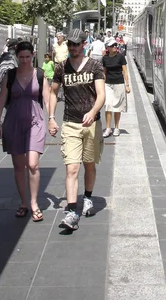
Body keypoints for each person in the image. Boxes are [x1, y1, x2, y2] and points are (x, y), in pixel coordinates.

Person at [48, 29, 105, 231]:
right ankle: (72, 212)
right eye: (70, 44)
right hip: (70, 123)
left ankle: (88, 197)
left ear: (84, 45)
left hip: (91, 125)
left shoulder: (95, 66)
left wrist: (93, 111)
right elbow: (53, 92)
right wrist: (52, 118)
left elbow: (101, 95)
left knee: (89, 164)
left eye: (76, 44)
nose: (72, 47)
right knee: (72, 168)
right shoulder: (61, 67)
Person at [0, 42, 50, 222]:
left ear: (32, 56)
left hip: (36, 121)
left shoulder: (40, 75)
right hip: (14, 122)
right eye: (21, 57)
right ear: (17, 57)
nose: (25, 60)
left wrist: (51, 119)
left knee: (33, 164)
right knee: (19, 166)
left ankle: (34, 203)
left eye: (27, 57)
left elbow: (47, 98)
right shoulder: (10, 75)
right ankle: (24, 202)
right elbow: (2, 97)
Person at [103, 37, 130, 138]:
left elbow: (125, 72)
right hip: (108, 84)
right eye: (112, 45)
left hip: (119, 83)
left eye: (115, 45)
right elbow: (104, 73)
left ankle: (117, 127)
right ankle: (108, 128)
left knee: (117, 107)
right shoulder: (105, 58)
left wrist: (127, 85)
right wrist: (102, 85)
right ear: (108, 47)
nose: (115, 47)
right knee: (108, 106)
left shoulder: (121, 57)